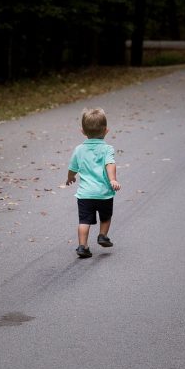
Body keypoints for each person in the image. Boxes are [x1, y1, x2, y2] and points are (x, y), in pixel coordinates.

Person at [65, 107, 120, 258]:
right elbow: (110, 164)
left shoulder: (79, 149)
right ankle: (102, 235)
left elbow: (72, 168)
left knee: (84, 221)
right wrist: (113, 179)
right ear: (106, 130)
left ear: (82, 131)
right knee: (106, 217)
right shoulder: (107, 149)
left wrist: (70, 178)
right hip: (104, 193)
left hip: (85, 195)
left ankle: (82, 246)